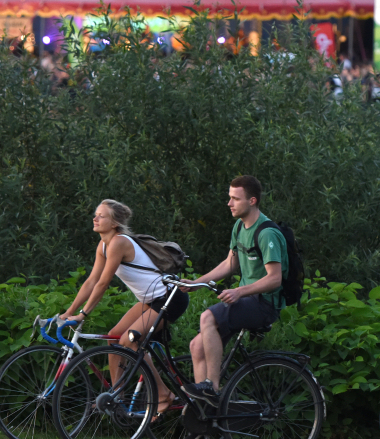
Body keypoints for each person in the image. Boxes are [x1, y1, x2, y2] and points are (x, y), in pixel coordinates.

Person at [55, 200, 188, 417]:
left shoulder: (119, 243)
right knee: (114, 338)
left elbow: (103, 283)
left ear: (115, 223)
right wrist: (70, 311)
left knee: (129, 340)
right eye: (95, 214)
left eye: (101, 216)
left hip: (169, 298)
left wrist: (84, 314)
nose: (95, 218)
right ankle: (116, 397)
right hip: (150, 300)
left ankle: (163, 394)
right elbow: (91, 281)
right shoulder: (104, 245)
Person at [184, 175, 288, 403]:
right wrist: (195, 283)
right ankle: (204, 413)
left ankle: (211, 387)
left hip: (264, 304)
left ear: (252, 201)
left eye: (234, 199)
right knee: (197, 346)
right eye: (229, 198)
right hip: (246, 302)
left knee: (207, 317)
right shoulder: (240, 227)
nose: (229, 203)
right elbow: (230, 263)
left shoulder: (267, 232)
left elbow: (275, 279)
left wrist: (239, 291)